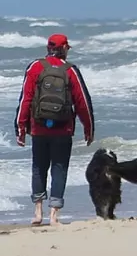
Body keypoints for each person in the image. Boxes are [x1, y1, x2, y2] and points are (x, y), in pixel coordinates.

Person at [13, 34, 94, 226]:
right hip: (63, 129)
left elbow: (25, 98)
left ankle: (38, 212)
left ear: (48, 48)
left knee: (39, 167)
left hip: (39, 128)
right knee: (59, 168)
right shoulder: (71, 70)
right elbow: (82, 102)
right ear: (65, 48)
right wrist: (88, 128)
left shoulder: (35, 67)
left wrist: (21, 128)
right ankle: (54, 215)